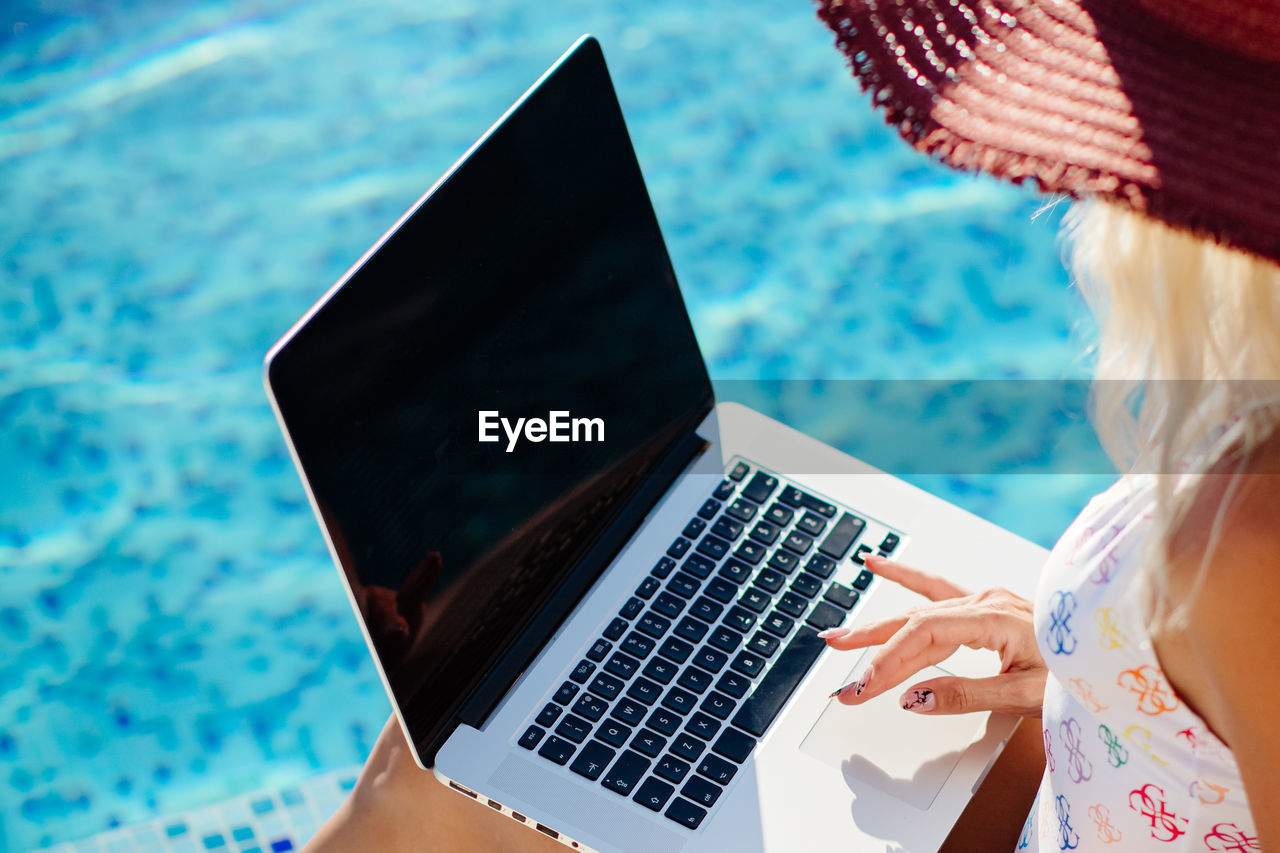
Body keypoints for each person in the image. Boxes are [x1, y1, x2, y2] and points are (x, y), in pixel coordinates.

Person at [307, 0, 1280, 849]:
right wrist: (1106, 677)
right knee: (470, 761)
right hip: (1080, 786)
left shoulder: (1250, 541)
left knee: (438, 790)